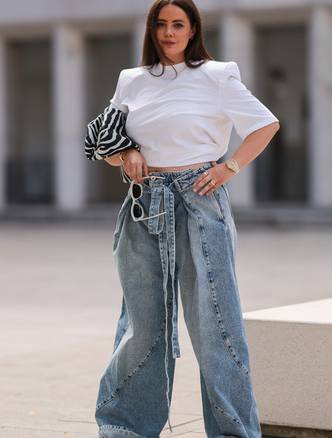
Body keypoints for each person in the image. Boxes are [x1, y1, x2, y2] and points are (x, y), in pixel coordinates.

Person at [94, 1, 279, 437]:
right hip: (144, 203)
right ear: (151, 29)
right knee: (141, 325)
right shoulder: (132, 81)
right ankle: (124, 429)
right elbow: (106, 144)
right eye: (161, 24)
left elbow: (264, 125)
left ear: (193, 29)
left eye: (178, 24)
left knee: (215, 326)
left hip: (199, 200)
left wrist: (227, 167)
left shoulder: (217, 75)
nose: (169, 33)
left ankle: (233, 432)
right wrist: (126, 153)